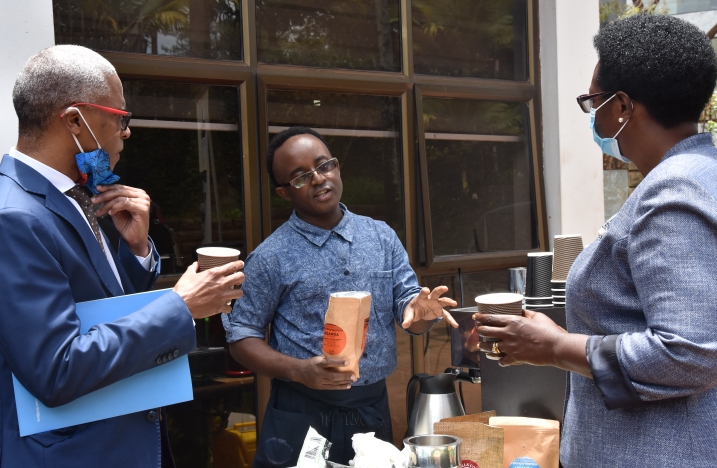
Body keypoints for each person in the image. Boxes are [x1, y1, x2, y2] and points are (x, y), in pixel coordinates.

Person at [474, 14, 717, 467]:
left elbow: (690, 352)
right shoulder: (704, 175)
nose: (594, 114)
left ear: (622, 107)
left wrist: (553, 347)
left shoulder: (673, 195)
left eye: (594, 101)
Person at [0, 45, 245, 467]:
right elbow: (57, 369)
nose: (126, 131)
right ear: (75, 120)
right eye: (119, 116)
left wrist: (134, 250)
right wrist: (181, 306)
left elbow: (101, 315)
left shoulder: (74, 196)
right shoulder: (15, 216)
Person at [222, 126, 458, 467]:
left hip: (370, 411)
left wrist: (421, 313)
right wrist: (299, 370)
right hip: (300, 412)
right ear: (285, 193)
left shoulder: (380, 236)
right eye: (301, 177)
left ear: (337, 168)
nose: (318, 179)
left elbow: (411, 314)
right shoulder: (271, 257)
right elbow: (241, 337)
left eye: (324, 165)